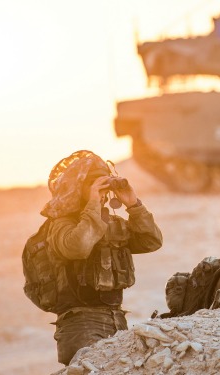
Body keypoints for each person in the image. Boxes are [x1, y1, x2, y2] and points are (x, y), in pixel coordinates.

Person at [41, 150, 163, 365]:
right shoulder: (61, 224)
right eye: (96, 185)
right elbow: (78, 246)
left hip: (116, 320)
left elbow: (151, 241)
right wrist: (93, 204)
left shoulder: (109, 224)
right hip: (80, 325)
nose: (104, 192)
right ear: (80, 188)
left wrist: (133, 204)